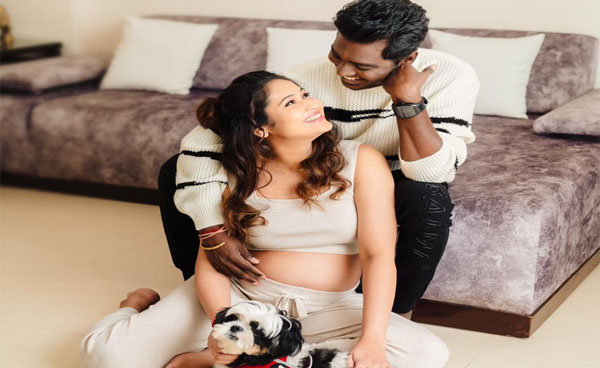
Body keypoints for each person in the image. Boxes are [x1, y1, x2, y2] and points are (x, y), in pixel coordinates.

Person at [80, 71, 449, 368]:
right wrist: (224, 326)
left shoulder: (360, 160)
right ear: (260, 127)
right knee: (107, 363)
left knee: (426, 354)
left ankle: (222, 360)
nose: (312, 103)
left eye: (305, 94)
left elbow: (378, 255)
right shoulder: (231, 172)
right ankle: (135, 306)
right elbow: (211, 259)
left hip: (330, 308)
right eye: (291, 102)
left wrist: (372, 339)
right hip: (244, 299)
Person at [159, 0, 479, 319]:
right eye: (337, 55)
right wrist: (212, 232)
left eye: (361, 66)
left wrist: (408, 101)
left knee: (428, 199)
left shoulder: (452, 77)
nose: (342, 72)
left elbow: (432, 172)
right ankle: (203, 296)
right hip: (323, 168)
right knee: (175, 170)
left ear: (407, 59)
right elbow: (206, 139)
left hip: (397, 172)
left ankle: (395, 316)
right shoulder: (303, 80)